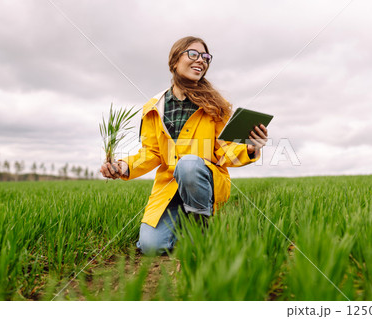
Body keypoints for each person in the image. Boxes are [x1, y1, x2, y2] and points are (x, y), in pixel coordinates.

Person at [100, 36, 268, 255]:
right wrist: (124, 166)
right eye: (193, 54)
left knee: (188, 165)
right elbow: (151, 153)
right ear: (174, 61)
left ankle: (201, 228)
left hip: (202, 181)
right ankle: (185, 223)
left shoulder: (217, 106)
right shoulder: (154, 107)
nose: (201, 60)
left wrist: (250, 148)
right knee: (151, 247)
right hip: (169, 187)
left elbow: (223, 150)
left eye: (206, 57)